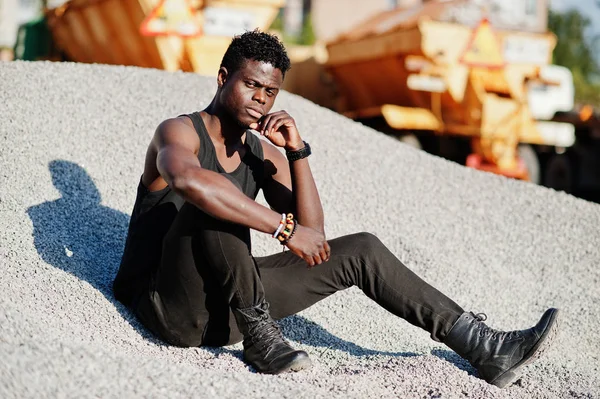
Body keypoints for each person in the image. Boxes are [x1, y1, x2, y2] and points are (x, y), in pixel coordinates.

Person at [113, 30, 559, 388]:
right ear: (223, 76)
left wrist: (297, 153)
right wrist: (281, 231)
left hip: (226, 310)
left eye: (270, 92)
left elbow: (315, 237)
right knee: (211, 202)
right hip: (167, 306)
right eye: (251, 84)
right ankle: (262, 338)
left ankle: (484, 348)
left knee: (361, 249)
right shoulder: (179, 131)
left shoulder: (260, 153)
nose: (261, 100)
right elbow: (189, 180)